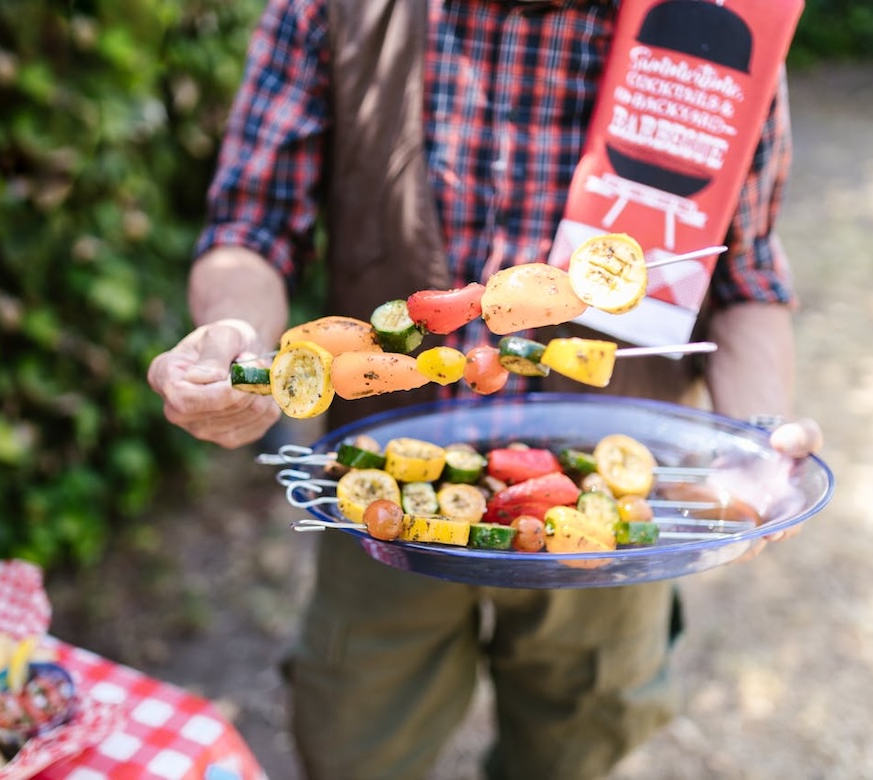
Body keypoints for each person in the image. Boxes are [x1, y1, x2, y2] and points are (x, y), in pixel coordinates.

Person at [148, 2, 823, 778]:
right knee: (353, 741)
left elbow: (746, 275)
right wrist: (236, 337)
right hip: (386, 498)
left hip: (607, 506)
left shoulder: (719, 29)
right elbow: (253, 228)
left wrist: (755, 436)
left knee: (575, 745)